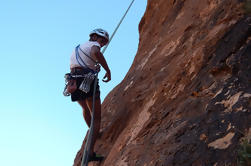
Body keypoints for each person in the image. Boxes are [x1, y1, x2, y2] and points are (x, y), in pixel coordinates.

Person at [69, 28, 111, 162]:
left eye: (104, 42)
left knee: (85, 109)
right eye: (102, 40)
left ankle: (93, 132)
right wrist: (107, 70)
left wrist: (94, 68)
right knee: (97, 118)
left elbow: (79, 65)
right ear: (95, 37)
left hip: (73, 80)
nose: (103, 43)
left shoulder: (79, 47)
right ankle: (90, 153)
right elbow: (95, 52)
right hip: (86, 80)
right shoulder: (94, 45)